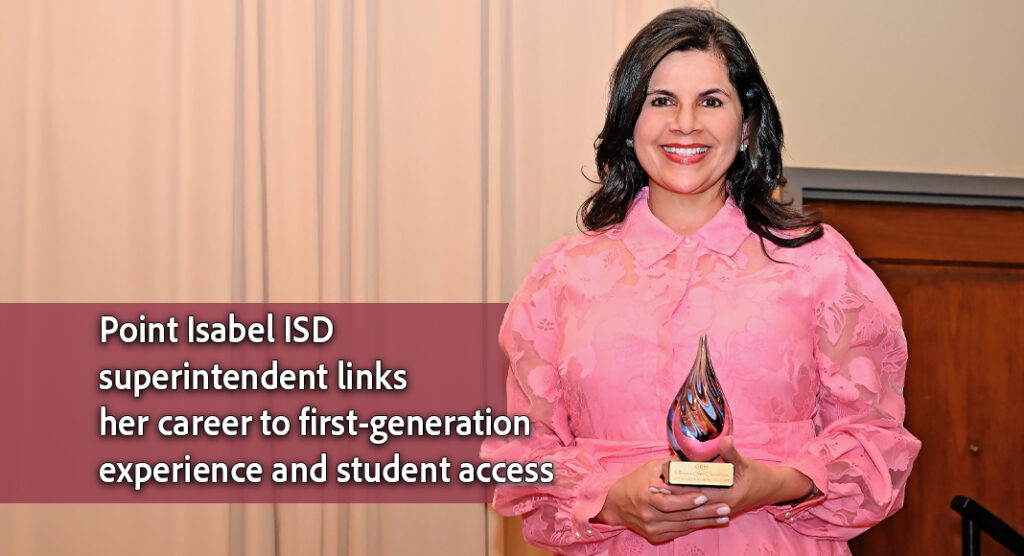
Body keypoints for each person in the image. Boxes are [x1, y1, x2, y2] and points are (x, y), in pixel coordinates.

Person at [480, 7, 921, 555]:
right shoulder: (561, 275)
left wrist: (775, 483)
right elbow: (521, 458)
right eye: (661, 100)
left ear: (747, 122)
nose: (684, 123)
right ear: (628, 121)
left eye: (711, 101)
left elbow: (876, 442)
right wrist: (610, 498)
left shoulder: (820, 265)